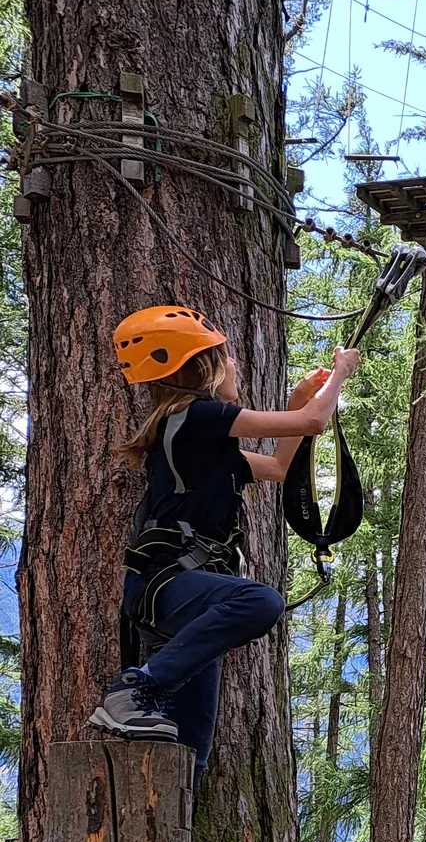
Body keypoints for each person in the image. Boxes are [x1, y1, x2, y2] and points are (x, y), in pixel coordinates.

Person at [90, 304, 360, 771]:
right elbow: (317, 424)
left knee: (192, 749)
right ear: (204, 370)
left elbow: (276, 467)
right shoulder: (200, 416)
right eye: (226, 357)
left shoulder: (202, 437)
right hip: (170, 585)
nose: (235, 364)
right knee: (261, 602)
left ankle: (170, 825)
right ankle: (135, 690)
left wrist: (299, 399)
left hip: (184, 595)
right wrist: (340, 375)